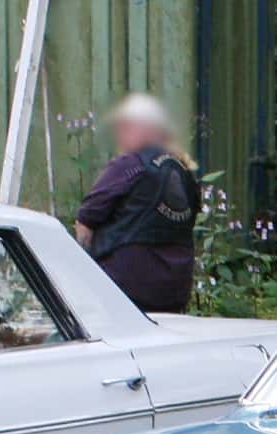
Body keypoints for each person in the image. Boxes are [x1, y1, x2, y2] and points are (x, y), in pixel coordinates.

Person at [74, 93, 201, 313]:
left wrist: (82, 277)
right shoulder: (184, 171)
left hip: (124, 290)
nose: (120, 134)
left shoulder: (130, 164)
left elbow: (86, 222)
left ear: (144, 129)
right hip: (174, 292)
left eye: (125, 127)